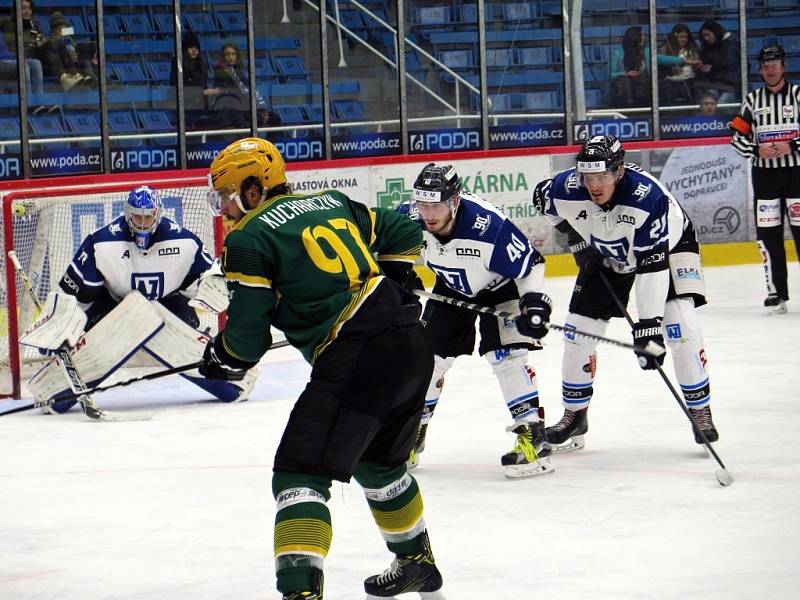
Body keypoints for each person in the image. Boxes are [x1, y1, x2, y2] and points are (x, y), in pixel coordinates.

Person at [200, 137, 443, 599]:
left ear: (253, 191)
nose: (224, 210)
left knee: (299, 474)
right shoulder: (331, 201)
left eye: (227, 197)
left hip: (358, 354)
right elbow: (402, 229)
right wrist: (395, 278)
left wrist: (223, 356)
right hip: (411, 343)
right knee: (380, 465)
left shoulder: (249, 238)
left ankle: (300, 593)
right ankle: (417, 562)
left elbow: (248, 338)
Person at [532, 135, 719, 452]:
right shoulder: (566, 188)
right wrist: (576, 240)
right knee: (578, 333)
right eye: (587, 176)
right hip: (610, 252)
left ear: (618, 172)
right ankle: (575, 415)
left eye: (601, 175)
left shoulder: (647, 199)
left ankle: (700, 410)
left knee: (682, 328)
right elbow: (542, 199)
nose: (593, 184)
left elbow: (652, 264)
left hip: (668, 252)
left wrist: (648, 325)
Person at [20, 185, 256, 413]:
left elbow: (211, 284)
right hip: (113, 308)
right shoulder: (100, 243)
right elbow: (71, 297)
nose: (142, 223)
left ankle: (228, 372)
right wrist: (58, 330)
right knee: (133, 312)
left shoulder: (185, 242)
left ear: (158, 215)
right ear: (127, 213)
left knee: (233, 388)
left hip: (169, 307)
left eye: (148, 217)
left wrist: (226, 301)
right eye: (137, 217)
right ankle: (57, 385)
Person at [399, 163, 554, 478]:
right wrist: (399, 276)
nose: (428, 212)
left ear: (454, 202)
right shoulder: (408, 219)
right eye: (423, 203)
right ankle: (412, 437)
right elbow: (382, 249)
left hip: (502, 289)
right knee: (427, 361)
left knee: (506, 357)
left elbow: (531, 264)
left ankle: (532, 438)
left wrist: (533, 302)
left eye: (437, 204)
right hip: (450, 287)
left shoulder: (488, 227)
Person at [730, 45, 800, 314]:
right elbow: (736, 137)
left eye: (775, 63)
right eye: (765, 65)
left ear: (783, 66)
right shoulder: (752, 100)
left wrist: (792, 145)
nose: (770, 69)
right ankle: (776, 292)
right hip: (765, 176)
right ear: (759, 70)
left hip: (797, 175)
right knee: (769, 236)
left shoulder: (797, 95)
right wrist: (755, 149)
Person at [211, 43, 280, 129]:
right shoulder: (220, 72)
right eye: (227, 54)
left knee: (275, 118)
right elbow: (227, 93)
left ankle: (270, 142)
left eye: (233, 54)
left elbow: (251, 91)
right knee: (249, 120)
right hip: (234, 109)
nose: (231, 57)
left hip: (248, 106)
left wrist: (262, 108)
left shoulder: (243, 71)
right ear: (223, 57)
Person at [171, 31, 219, 130]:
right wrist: (202, 93)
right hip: (186, 111)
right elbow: (179, 90)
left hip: (201, 109)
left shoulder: (201, 65)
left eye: (196, 48)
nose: (194, 50)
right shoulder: (178, 66)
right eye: (190, 47)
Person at [0, 0, 45, 95]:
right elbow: (12, 47)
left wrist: (36, 43)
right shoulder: (9, 26)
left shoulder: (33, 27)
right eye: (23, 8)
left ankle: (40, 101)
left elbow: (40, 41)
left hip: (26, 57)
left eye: (29, 8)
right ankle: (28, 102)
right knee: (24, 66)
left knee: (37, 63)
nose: (27, 11)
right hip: (10, 59)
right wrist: (32, 45)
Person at [41, 12, 91, 90]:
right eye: (61, 30)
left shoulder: (70, 41)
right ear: (54, 30)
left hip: (70, 65)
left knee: (86, 62)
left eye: (65, 29)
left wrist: (75, 57)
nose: (63, 33)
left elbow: (75, 55)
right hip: (58, 67)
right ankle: (75, 77)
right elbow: (52, 57)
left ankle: (92, 82)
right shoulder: (48, 41)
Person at [658, 23, 703, 105]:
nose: (683, 40)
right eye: (681, 37)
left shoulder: (693, 50)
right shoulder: (664, 49)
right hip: (670, 83)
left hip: (690, 82)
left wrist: (698, 66)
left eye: (686, 37)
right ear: (675, 37)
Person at [697, 21, 739, 105]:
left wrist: (712, 68)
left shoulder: (732, 45)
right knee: (708, 103)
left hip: (731, 86)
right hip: (714, 86)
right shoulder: (706, 49)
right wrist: (702, 69)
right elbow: (705, 70)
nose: (706, 38)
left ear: (715, 32)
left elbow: (736, 67)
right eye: (704, 36)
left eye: (708, 35)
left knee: (721, 104)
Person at [609, 26, 651, 109]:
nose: (644, 37)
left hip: (644, 95)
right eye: (642, 35)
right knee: (624, 80)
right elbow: (610, 74)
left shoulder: (647, 51)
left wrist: (681, 60)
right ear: (634, 37)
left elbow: (661, 58)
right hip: (624, 96)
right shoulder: (618, 53)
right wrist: (626, 74)